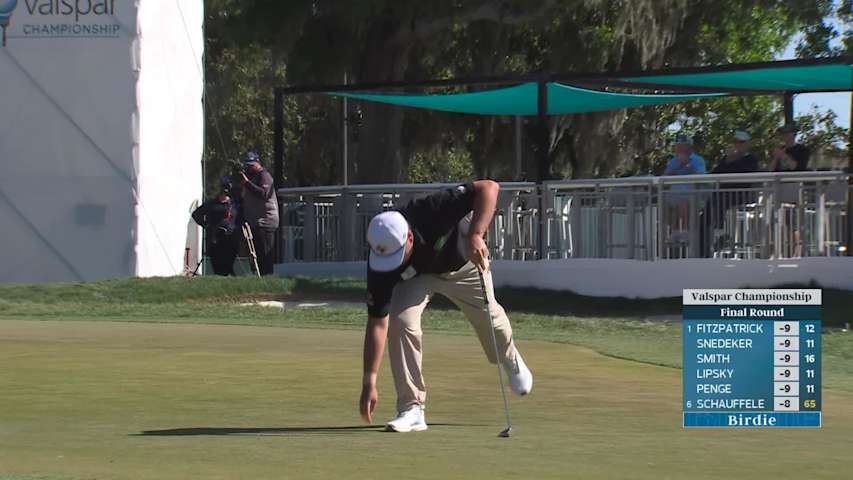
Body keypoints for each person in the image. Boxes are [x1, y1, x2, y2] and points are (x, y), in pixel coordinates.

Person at [359, 181, 533, 433]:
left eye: (397, 255)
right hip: (418, 277)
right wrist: (369, 381)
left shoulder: (432, 208)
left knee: (490, 319)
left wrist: (476, 234)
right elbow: (377, 321)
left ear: (409, 237)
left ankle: (510, 358)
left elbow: (489, 188)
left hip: (463, 264)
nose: (390, 263)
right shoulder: (382, 262)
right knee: (401, 322)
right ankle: (412, 408)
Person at [240, 151, 279, 276]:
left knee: (265, 253)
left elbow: (264, 194)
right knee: (257, 254)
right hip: (255, 221)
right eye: (248, 165)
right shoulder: (251, 177)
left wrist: (247, 183)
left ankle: (267, 277)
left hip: (265, 221)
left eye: (252, 165)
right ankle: (260, 277)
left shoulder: (264, 175)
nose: (249, 168)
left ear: (258, 162)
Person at [663, 134, 705, 246]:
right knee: (666, 204)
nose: (678, 148)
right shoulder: (673, 161)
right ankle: (674, 232)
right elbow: (665, 178)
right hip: (674, 193)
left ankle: (686, 232)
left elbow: (700, 176)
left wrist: (687, 165)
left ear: (689, 147)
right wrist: (678, 166)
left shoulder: (697, 160)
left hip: (693, 195)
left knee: (683, 203)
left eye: (682, 146)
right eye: (677, 146)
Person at [192, 177, 239, 276]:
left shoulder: (234, 205)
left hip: (230, 239)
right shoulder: (211, 204)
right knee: (218, 266)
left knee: (228, 264)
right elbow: (196, 214)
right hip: (215, 239)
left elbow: (240, 218)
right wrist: (206, 225)